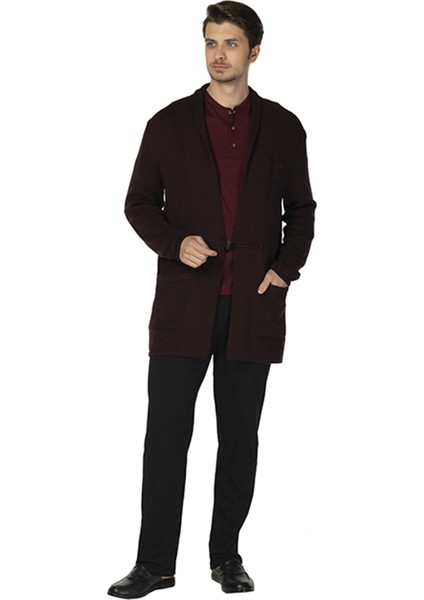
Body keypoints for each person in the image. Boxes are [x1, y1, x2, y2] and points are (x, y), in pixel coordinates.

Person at [108, 1, 316, 597]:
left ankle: (226, 556)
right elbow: (139, 204)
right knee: (166, 435)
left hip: (253, 304)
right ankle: (154, 564)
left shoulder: (283, 127)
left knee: (239, 437)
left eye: (230, 43)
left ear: (255, 51)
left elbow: (301, 210)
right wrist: (176, 243)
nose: (218, 54)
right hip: (184, 305)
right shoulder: (168, 123)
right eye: (210, 42)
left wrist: (284, 270)